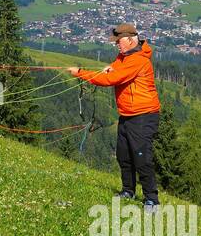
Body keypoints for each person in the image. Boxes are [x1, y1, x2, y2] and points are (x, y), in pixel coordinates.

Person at [68, 23, 162, 211]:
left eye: (118, 41)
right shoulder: (125, 55)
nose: (117, 45)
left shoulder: (138, 60)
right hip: (127, 114)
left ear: (130, 40)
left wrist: (80, 73)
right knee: (124, 155)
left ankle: (152, 199)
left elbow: (111, 80)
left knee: (142, 157)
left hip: (143, 116)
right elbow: (115, 68)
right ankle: (128, 190)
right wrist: (109, 67)